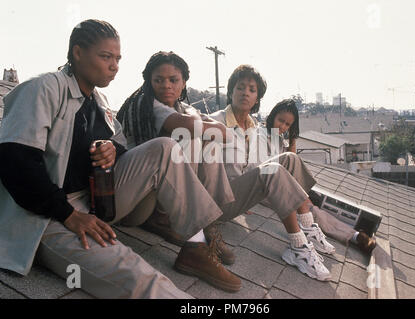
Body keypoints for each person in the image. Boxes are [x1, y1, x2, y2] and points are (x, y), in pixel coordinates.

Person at [0, 19, 243, 297]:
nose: (114, 66)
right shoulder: (43, 88)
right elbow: (14, 162)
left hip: (96, 200)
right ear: (78, 53)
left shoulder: (100, 103)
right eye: (106, 57)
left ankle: (197, 244)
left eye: (117, 58)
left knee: (164, 147)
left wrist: (114, 150)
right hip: (48, 216)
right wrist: (68, 215)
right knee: (142, 279)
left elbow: (123, 148)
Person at [209, 65, 332, 281]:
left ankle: (308, 225)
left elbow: (252, 167)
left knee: (290, 159)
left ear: (257, 99)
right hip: (217, 203)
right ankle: (298, 248)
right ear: (231, 91)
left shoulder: (252, 127)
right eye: (240, 87)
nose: (245, 92)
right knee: (273, 170)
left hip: (240, 197)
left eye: (252, 89)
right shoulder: (214, 121)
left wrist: (249, 192)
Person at [117, 51, 236, 265]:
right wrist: (215, 127)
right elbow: (190, 127)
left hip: (160, 197)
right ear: (148, 82)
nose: (166, 86)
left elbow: (222, 135)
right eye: (158, 80)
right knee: (189, 136)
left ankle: (208, 223)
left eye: (173, 80)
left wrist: (214, 127)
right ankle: (168, 219)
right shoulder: (146, 104)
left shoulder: (185, 109)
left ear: (184, 83)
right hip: (135, 203)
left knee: (207, 141)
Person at [259, 99, 376, 254]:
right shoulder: (260, 135)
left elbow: (291, 164)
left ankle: (354, 233)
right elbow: (265, 170)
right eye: (280, 120)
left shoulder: (278, 139)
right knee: (311, 209)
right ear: (272, 116)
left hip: (283, 185)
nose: (283, 127)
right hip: (266, 188)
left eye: (287, 125)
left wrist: (292, 137)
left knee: (315, 204)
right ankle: (354, 236)